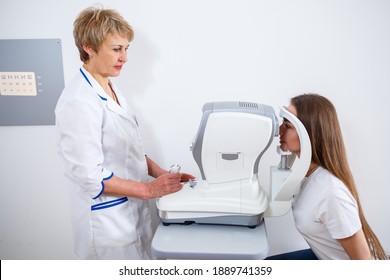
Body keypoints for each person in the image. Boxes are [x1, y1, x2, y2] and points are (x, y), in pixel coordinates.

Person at [55, 6, 195, 260]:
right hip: (106, 226)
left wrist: (160, 174)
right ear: (88, 47)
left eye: (126, 48)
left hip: (130, 216)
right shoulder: (78, 102)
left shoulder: (111, 88)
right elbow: (89, 176)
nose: (125, 57)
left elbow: (131, 149)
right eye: (116, 49)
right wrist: (150, 190)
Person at [277, 93, 387, 260]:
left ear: (309, 133)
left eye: (287, 125)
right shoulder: (306, 174)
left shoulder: (331, 193)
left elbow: (363, 262)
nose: (279, 131)